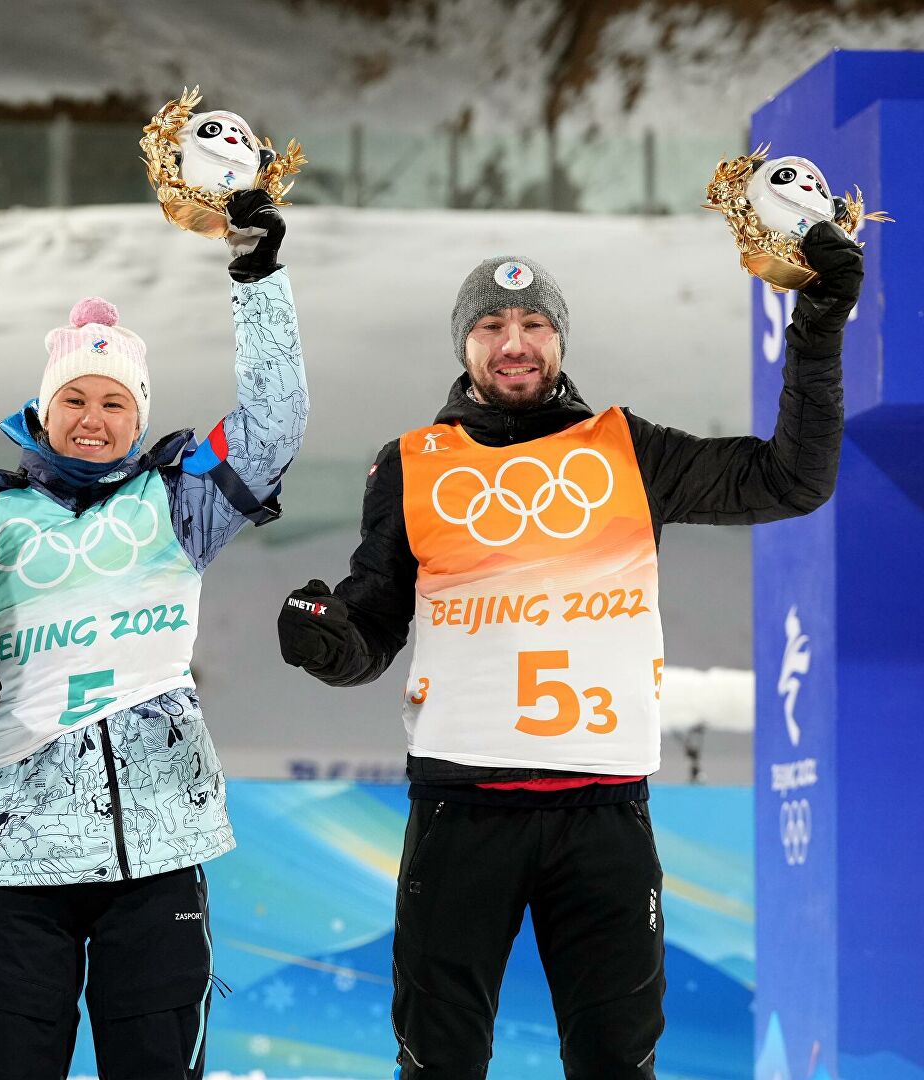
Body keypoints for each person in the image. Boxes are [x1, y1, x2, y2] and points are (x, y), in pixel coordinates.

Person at [275, 225, 859, 1078]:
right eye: (490, 326)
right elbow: (372, 626)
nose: (514, 343)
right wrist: (328, 638)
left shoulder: (629, 450)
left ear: (559, 339)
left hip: (604, 812)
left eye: (534, 324)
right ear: (464, 346)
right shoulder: (411, 464)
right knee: (437, 1062)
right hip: (461, 808)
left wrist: (818, 326)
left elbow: (790, 479)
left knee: (617, 1063)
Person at [0, 190, 308, 1079]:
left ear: (139, 414)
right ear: (43, 413)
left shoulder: (179, 499)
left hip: (159, 850)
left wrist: (257, 277)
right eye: (74, 399)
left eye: (115, 402)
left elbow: (274, 427)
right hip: (18, 855)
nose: (93, 417)